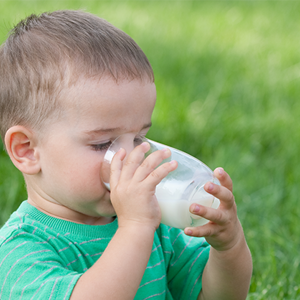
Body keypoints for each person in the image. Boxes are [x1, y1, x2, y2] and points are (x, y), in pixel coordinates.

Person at [0, 10, 252, 300]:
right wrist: (135, 228)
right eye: (103, 143)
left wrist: (229, 248)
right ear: (27, 150)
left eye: (137, 138)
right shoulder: (22, 252)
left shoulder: (156, 224)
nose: (129, 156)